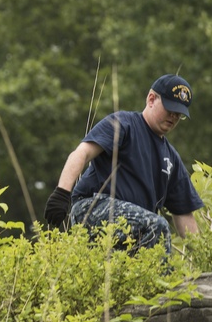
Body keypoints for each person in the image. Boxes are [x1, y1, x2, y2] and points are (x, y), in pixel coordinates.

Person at [43, 74, 202, 254]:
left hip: (134, 228)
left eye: (178, 114)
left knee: (155, 245)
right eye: (169, 109)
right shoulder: (124, 124)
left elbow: (184, 215)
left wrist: (205, 257)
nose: (173, 117)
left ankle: (157, 281)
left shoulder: (171, 159)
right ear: (151, 99)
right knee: (156, 226)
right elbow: (82, 152)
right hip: (92, 209)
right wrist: (62, 192)